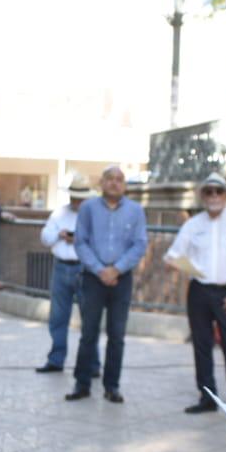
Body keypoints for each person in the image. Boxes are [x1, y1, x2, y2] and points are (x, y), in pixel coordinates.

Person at [166, 173, 226, 413]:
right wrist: (182, 265)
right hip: (199, 291)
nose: (214, 196)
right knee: (201, 344)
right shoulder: (193, 224)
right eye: (208, 191)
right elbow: (173, 255)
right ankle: (207, 397)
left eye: (218, 191)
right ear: (202, 195)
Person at [69, 165, 147, 404]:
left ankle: (112, 386)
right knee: (88, 333)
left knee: (117, 335)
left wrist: (117, 269)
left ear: (124, 185)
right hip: (94, 278)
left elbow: (140, 244)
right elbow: (80, 242)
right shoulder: (88, 209)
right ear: (101, 183)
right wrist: (100, 269)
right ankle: (82, 384)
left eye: (119, 179)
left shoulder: (136, 211)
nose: (114, 183)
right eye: (110, 179)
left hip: (121, 280)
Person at [35, 175, 95, 374]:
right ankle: (56, 359)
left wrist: (78, 239)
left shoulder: (93, 215)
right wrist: (60, 235)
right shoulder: (59, 214)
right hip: (61, 267)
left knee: (89, 318)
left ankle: (92, 363)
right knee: (58, 317)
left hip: (84, 269)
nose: (76, 202)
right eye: (74, 197)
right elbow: (45, 237)